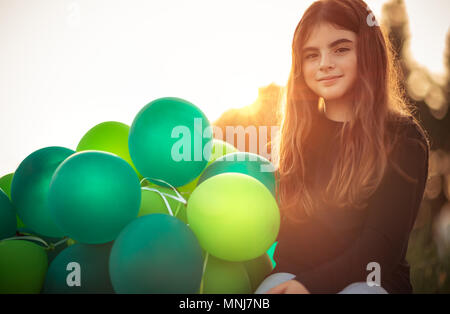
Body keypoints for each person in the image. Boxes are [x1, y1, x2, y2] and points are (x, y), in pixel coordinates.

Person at [262, 0, 430, 294]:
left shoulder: (404, 138)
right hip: (298, 277)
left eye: (340, 49)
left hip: (372, 283)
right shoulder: (299, 138)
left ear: (368, 53)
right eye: (312, 55)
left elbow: (379, 249)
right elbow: (290, 245)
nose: (325, 62)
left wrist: (309, 285)